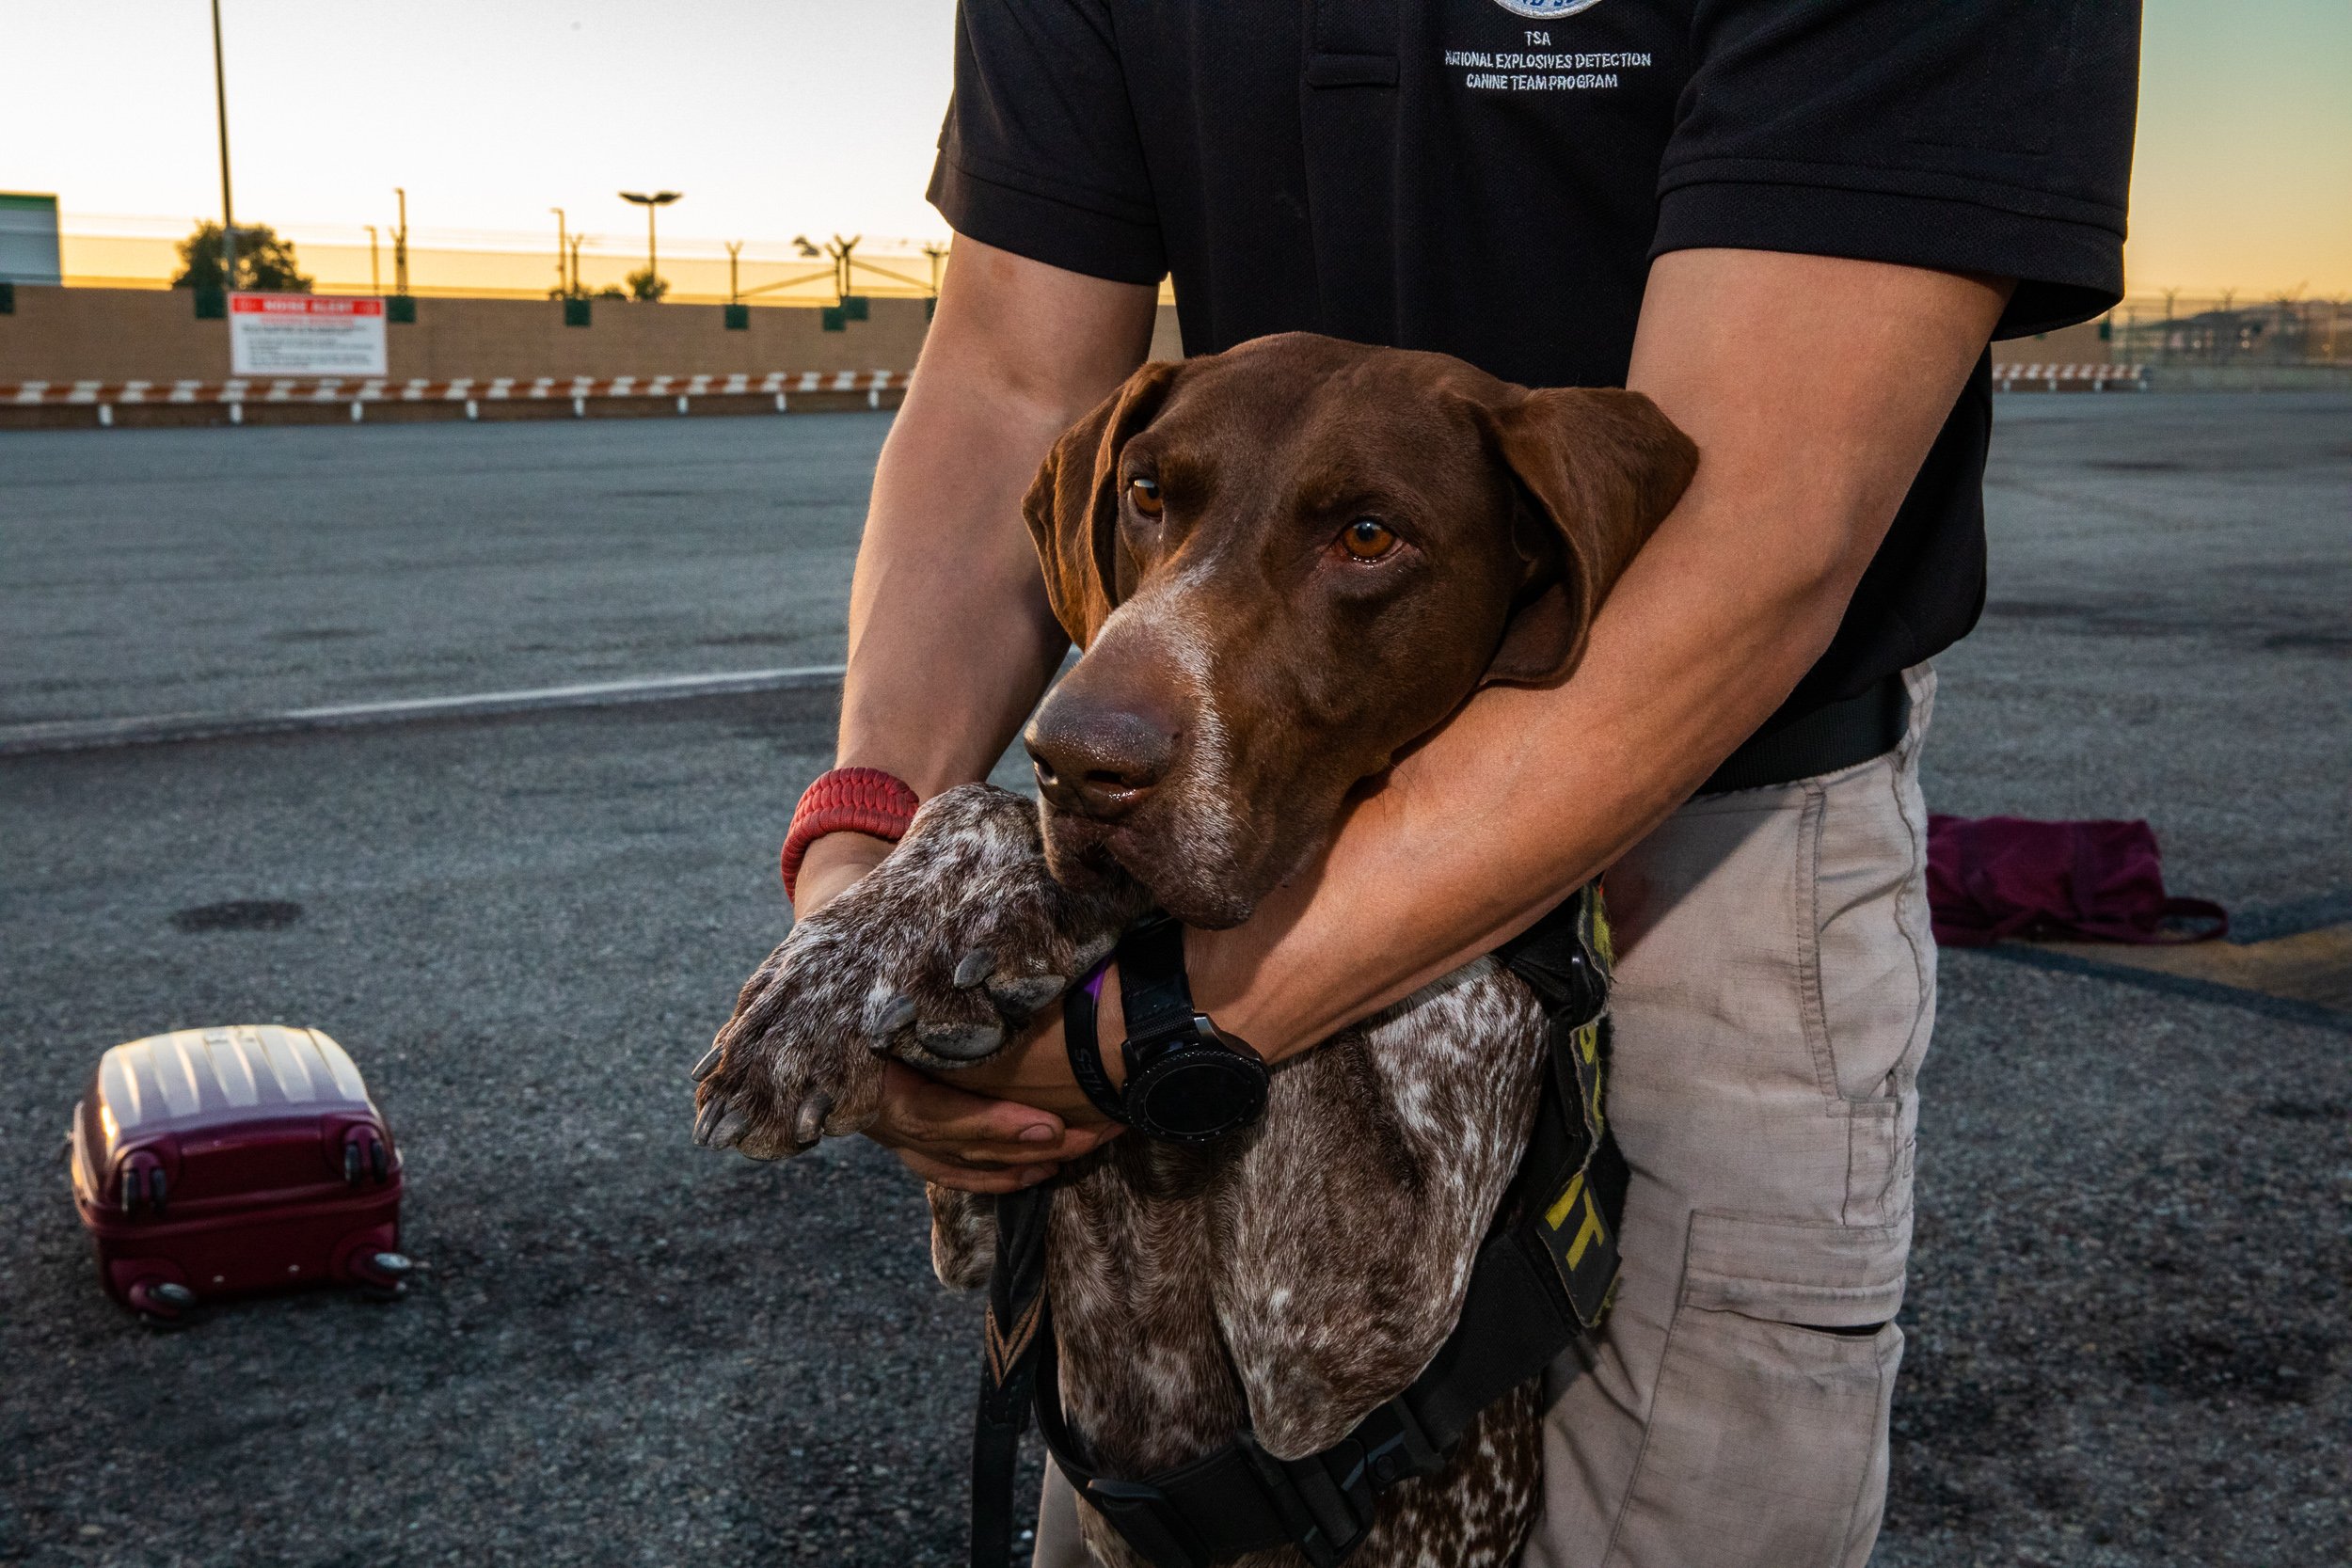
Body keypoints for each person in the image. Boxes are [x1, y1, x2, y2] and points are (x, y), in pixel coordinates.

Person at [784, 4, 2139, 1563]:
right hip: (1231, 811)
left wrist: (1150, 1034)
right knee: (1170, 1516)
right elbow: (1018, 376)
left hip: (1704, 838)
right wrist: (863, 878)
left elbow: (1758, 526)